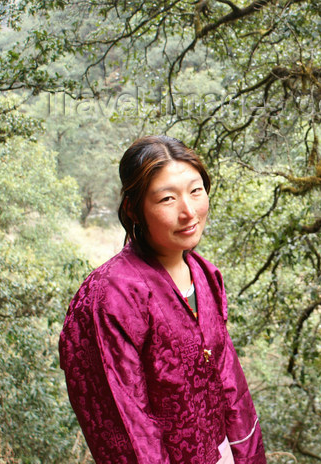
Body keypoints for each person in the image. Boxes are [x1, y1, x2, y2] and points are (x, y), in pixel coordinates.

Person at [59, 135, 267, 464]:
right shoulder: (111, 295)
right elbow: (124, 423)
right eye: (167, 199)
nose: (189, 212)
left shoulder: (204, 274)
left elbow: (230, 382)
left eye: (196, 191)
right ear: (133, 208)